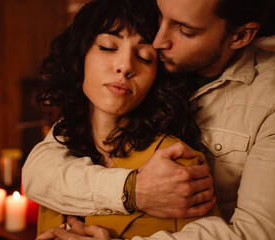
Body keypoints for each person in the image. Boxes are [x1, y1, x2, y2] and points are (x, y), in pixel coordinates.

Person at [22, 0, 275, 238]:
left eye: (185, 30)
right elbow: (38, 171)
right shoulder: (92, 118)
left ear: (240, 36)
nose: (159, 40)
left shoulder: (180, 162)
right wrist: (131, 190)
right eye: (160, 15)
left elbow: (258, 232)